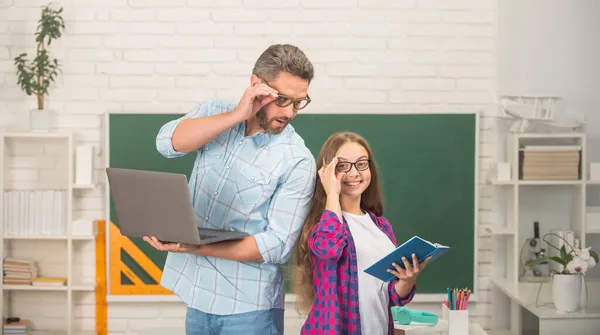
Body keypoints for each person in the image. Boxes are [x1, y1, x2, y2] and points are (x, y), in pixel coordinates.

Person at [143, 44, 317, 335]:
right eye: (283, 99)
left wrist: (197, 246)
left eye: (299, 102)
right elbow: (167, 143)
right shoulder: (215, 112)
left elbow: (276, 245)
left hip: (249, 309)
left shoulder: (297, 159)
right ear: (256, 86)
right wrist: (237, 115)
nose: (290, 112)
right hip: (196, 294)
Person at [293, 132, 430, 335]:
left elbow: (390, 294)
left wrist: (407, 279)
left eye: (361, 164)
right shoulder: (321, 225)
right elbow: (329, 250)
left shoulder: (381, 226)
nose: (354, 173)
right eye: (343, 166)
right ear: (328, 173)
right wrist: (332, 192)